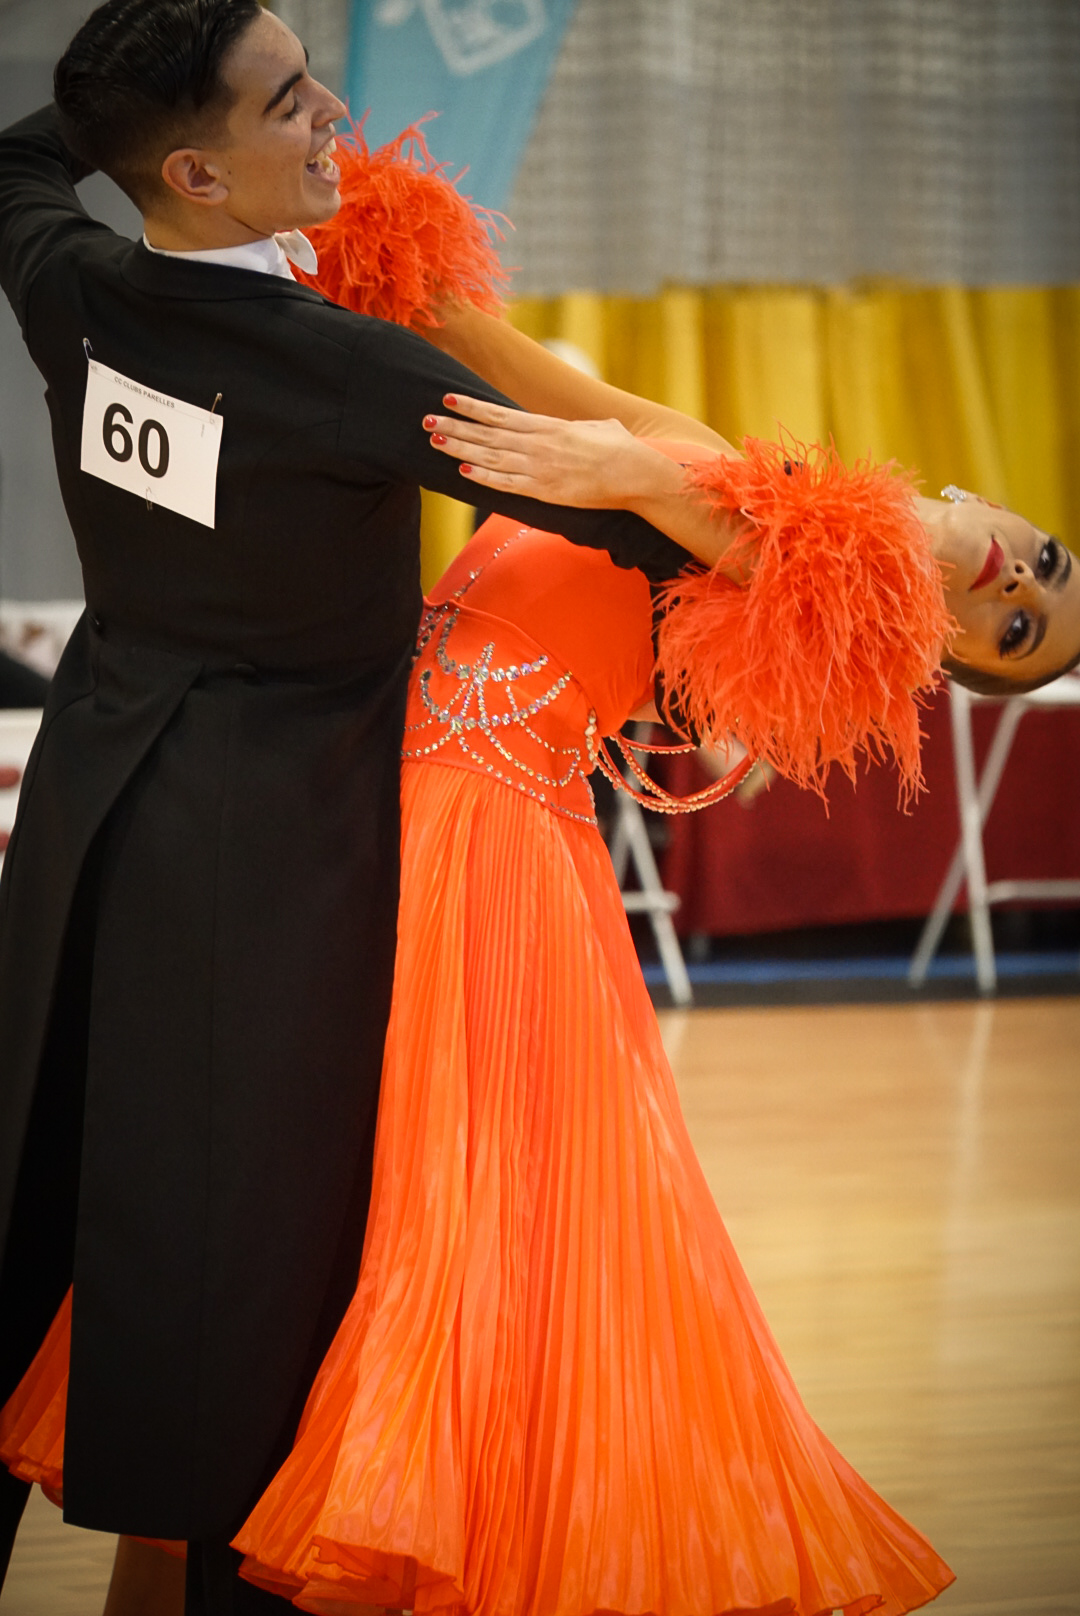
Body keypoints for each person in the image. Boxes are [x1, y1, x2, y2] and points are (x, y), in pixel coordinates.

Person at [0, 3, 714, 1610]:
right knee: (247, 1275)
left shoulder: (68, 281)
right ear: (195, 171)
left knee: (59, 1204)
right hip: (272, 862)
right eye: (288, 103)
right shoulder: (344, 364)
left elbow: (17, 166)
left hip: (92, 820)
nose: (336, 114)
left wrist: (107, 115)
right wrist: (848, 552)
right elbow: (630, 506)